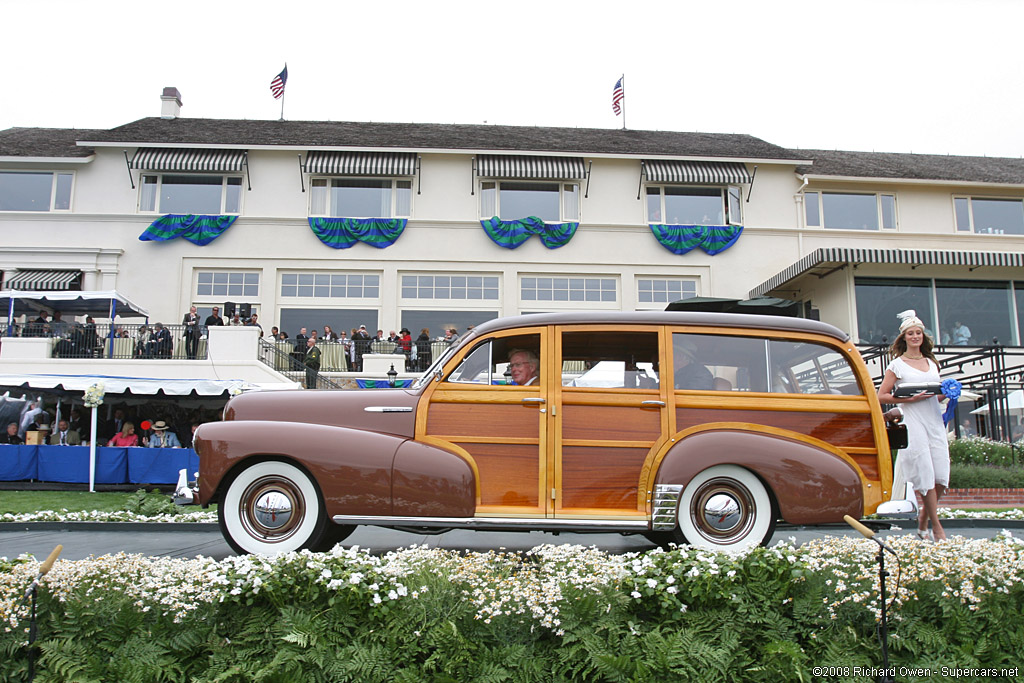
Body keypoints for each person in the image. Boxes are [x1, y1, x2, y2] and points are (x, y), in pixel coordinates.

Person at [877, 309, 950, 542]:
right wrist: (906, 399)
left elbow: (935, 394)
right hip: (913, 420)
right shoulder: (897, 365)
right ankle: (936, 528)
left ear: (923, 337)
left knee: (941, 476)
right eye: (911, 333)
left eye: (918, 333)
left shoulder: (932, 363)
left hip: (934, 420)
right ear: (904, 338)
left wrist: (946, 394)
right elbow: (882, 396)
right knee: (925, 472)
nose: (915, 336)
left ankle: (923, 519)